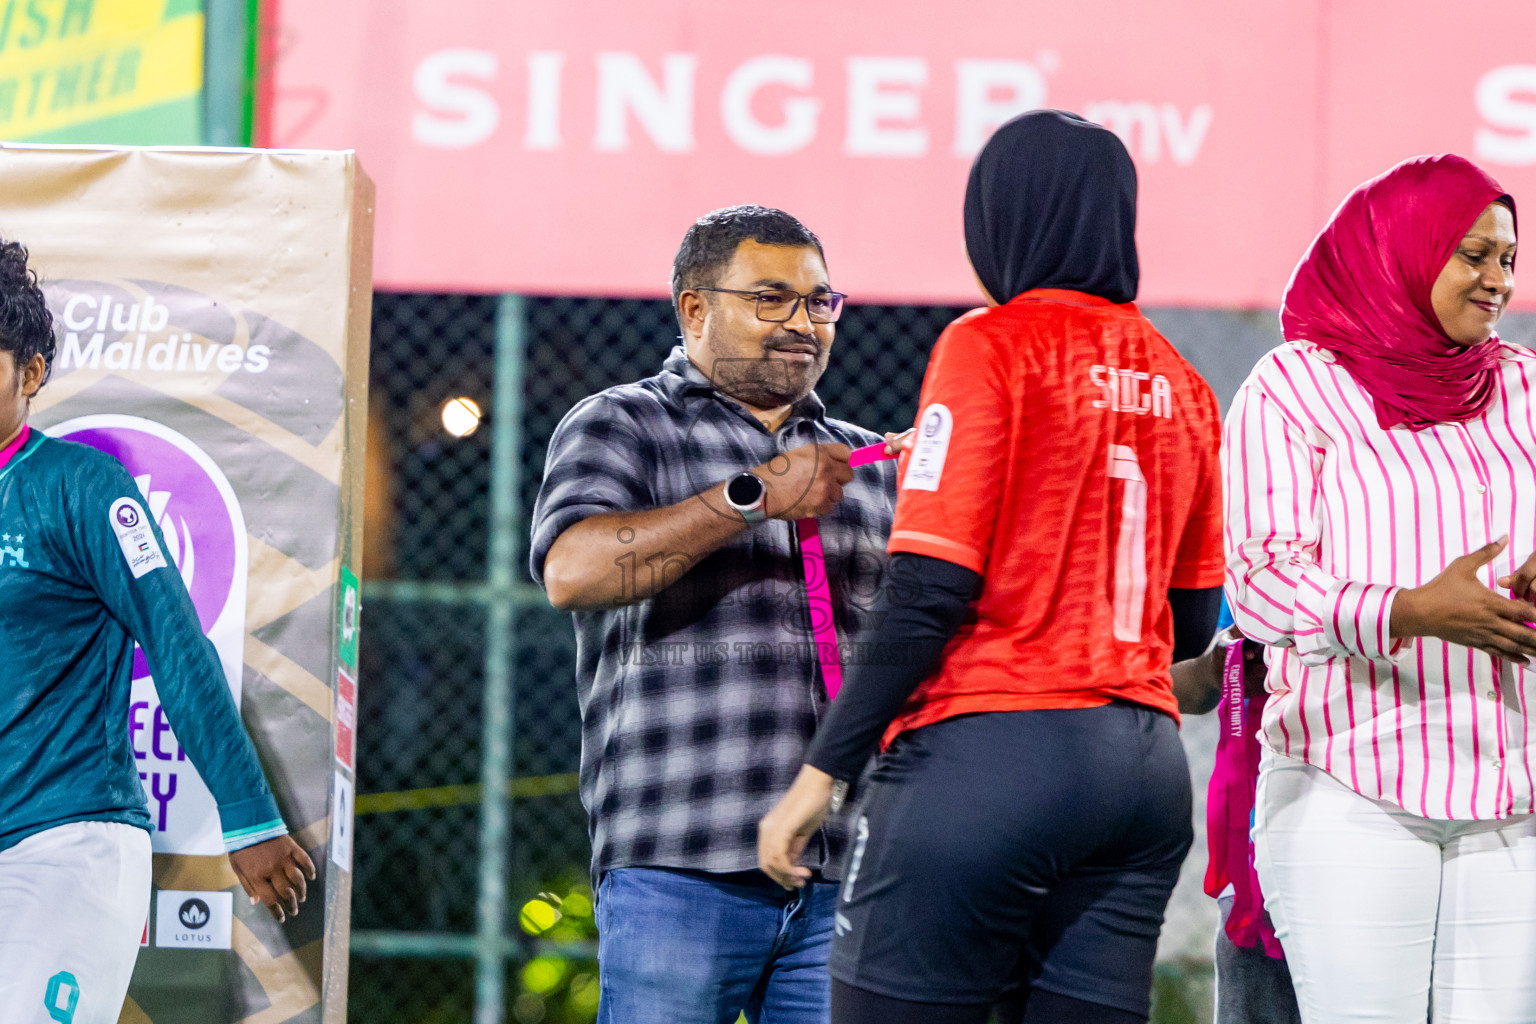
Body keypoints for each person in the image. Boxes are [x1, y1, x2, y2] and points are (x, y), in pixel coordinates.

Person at [758, 110, 1225, 1024]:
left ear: (1003, 217)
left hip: (990, 761)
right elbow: (1194, 621)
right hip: (1143, 775)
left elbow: (929, 588)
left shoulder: (991, 343)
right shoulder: (1184, 382)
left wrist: (821, 775)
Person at [530, 205, 902, 1024]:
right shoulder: (624, 424)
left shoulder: (870, 465)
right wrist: (754, 496)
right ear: (693, 309)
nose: (803, 324)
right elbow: (575, 570)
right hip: (682, 858)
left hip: (850, 867)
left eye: (818, 301)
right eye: (771, 299)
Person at [1224, 154, 1536, 1023]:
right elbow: (1260, 582)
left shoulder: (1523, 386)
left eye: (1509, 258)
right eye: (1473, 253)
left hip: (1516, 794)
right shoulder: (1297, 389)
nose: (1497, 279)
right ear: (1403, 249)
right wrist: (1406, 610)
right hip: (1349, 787)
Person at [0, 238, 314, 1024]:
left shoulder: (82, 488)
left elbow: (178, 646)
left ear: (30, 374)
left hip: (61, 840)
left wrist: (249, 816)